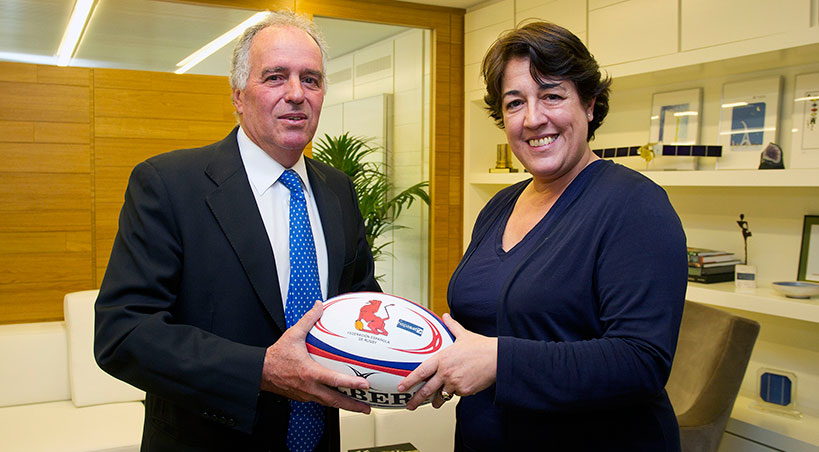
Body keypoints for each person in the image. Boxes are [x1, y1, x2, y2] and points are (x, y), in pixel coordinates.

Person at [94, 10, 381, 452]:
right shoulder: (169, 185)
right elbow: (123, 333)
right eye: (275, 77)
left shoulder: (338, 189)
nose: (296, 94)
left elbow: (360, 303)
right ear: (238, 95)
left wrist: (415, 360)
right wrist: (260, 369)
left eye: (310, 79)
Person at [399, 22, 687, 451]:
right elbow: (487, 324)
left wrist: (499, 362)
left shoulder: (635, 205)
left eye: (552, 95)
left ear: (589, 104)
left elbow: (641, 360)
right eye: (515, 103)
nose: (533, 119)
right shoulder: (500, 206)